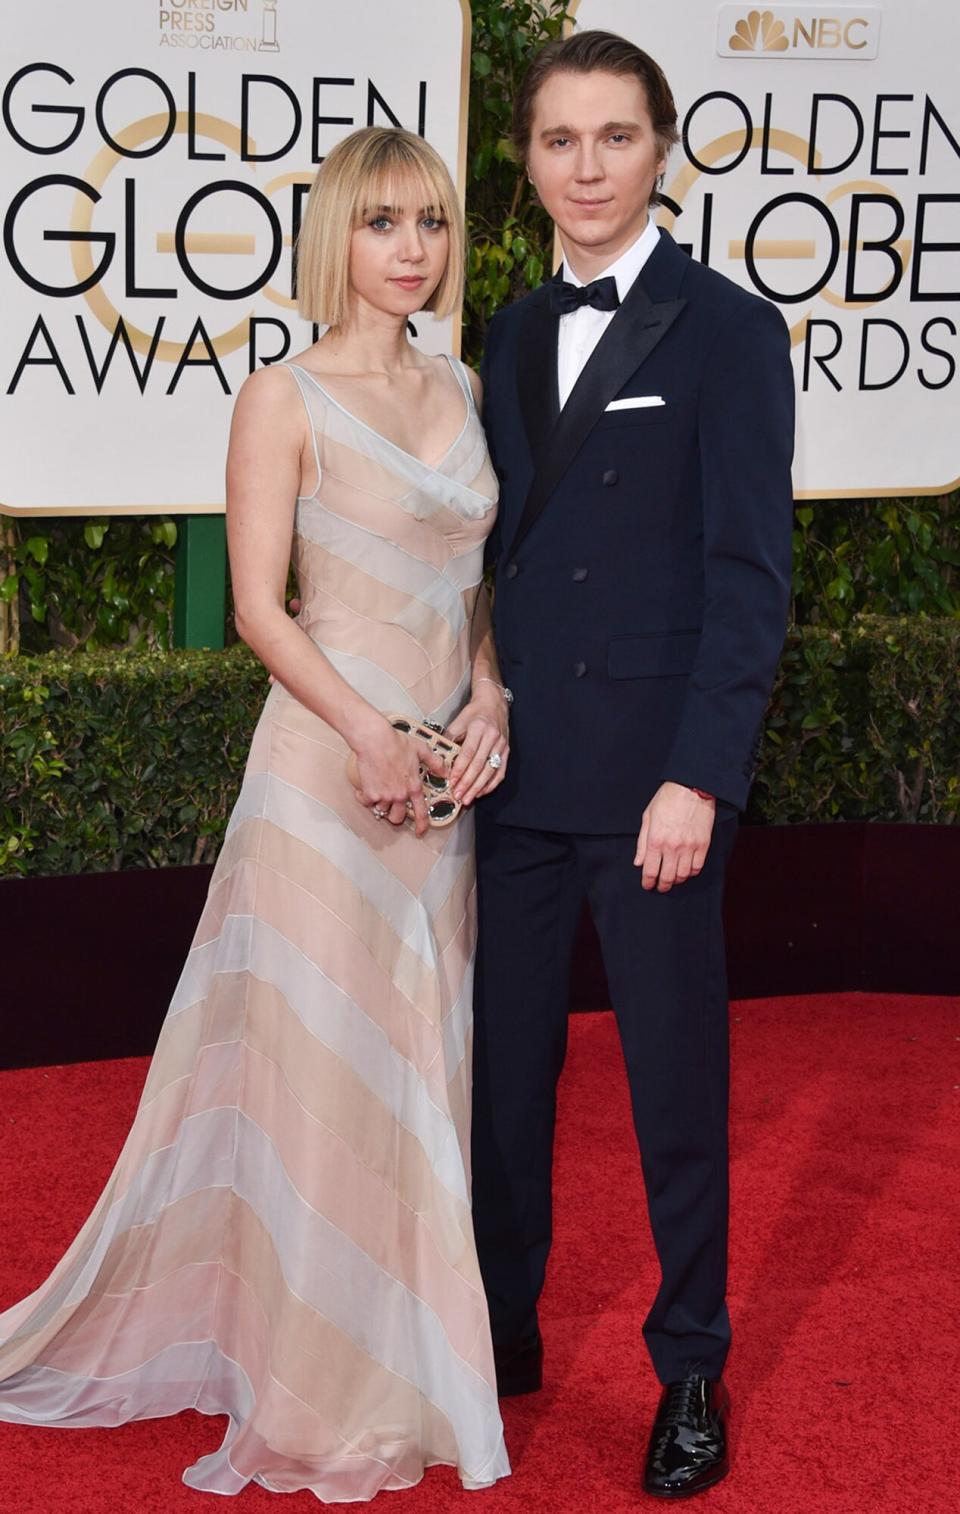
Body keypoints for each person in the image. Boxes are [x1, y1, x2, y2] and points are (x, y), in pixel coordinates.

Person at [0, 126, 512, 1501]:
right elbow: (256, 608)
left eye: (432, 224)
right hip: (326, 783)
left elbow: (468, 587)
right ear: (334, 237)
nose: (412, 249)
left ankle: (402, 1362)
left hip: (438, 792)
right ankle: (315, 1391)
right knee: (323, 1083)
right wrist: (367, 734)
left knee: (417, 1080)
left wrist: (489, 697)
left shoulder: (462, 386)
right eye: (382, 223)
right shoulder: (280, 395)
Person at [470, 30, 795, 1500]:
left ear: (664, 146)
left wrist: (702, 778)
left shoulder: (728, 330)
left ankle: (689, 1369)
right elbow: (491, 564)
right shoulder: (510, 331)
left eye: (615, 136)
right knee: (503, 1085)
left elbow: (747, 576)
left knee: (674, 1085)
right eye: (559, 139)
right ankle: (498, 1329)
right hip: (517, 778)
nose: (586, 167)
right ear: (526, 159)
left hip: (656, 784)